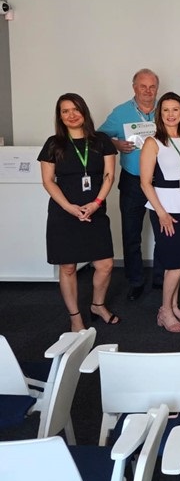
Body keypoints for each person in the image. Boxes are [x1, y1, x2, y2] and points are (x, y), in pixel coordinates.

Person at [38, 93, 118, 332]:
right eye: (65, 111)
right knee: (68, 267)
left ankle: (97, 305)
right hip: (64, 212)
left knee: (105, 264)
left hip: (95, 209)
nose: (71, 115)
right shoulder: (53, 144)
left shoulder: (101, 140)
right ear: (60, 116)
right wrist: (68, 207)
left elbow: (109, 175)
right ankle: (75, 317)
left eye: (75, 109)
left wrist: (96, 203)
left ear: (84, 112)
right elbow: (48, 181)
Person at [140, 92, 180, 333]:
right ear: (160, 114)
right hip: (166, 208)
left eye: (175, 109)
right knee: (175, 263)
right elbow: (145, 182)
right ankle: (165, 311)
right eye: (165, 110)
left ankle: (174, 307)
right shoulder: (153, 142)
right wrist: (161, 213)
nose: (170, 114)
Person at [99, 68, 162, 300]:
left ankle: (161, 278)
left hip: (160, 181)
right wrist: (116, 144)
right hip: (132, 181)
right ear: (134, 87)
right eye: (142, 86)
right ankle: (135, 281)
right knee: (131, 233)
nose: (148, 91)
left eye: (152, 86)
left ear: (157, 88)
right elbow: (99, 136)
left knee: (164, 231)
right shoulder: (121, 112)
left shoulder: (165, 109)